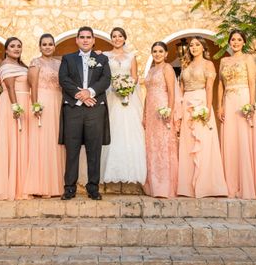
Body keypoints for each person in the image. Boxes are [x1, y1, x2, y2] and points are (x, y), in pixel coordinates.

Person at [58, 26, 111, 200]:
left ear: (94, 40)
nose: (85, 40)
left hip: (95, 109)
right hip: (73, 109)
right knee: (72, 150)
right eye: (82, 37)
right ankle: (70, 188)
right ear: (77, 40)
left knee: (94, 150)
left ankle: (93, 188)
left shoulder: (102, 59)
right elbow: (63, 79)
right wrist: (81, 96)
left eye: (89, 37)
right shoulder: (68, 58)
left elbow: (106, 79)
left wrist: (90, 92)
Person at [177, 36, 228, 198]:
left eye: (197, 45)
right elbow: (181, 88)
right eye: (191, 45)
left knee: (203, 142)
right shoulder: (185, 64)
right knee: (188, 144)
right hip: (186, 103)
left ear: (203, 48)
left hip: (200, 102)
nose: (193, 47)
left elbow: (209, 88)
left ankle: (206, 185)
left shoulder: (208, 64)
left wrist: (206, 108)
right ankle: (187, 187)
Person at [218, 30, 256, 199]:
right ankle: (230, 185)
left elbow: (252, 82)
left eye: (239, 39)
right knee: (230, 140)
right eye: (233, 39)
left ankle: (246, 185)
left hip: (244, 98)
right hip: (228, 101)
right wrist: (220, 106)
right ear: (229, 42)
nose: (236, 42)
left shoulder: (248, 59)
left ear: (243, 42)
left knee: (244, 139)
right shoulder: (224, 60)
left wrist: (251, 104)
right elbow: (220, 84)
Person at [101, 27, 147, 185]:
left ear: (124, 38)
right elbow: (104, 75)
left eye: (120, 36)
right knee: (113, 129)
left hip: (128, 97)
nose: (117, 39)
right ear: (111, 39)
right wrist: (116, 87)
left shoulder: (131, 56)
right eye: (114, 36)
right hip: (112, 95)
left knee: (130, 131)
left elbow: (135, 77)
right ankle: (111, 171)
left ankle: (132, 171)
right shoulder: (105, 56)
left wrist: (127, 88)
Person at [24, 34, 64, 197]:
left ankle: (57, 184)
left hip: (58, 101)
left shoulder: (60, 63)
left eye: (50, 44)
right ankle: (41, 184)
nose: (47, 47)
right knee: (42, 139)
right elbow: (33, 86)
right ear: (40, 47)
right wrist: (35, 105)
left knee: (56, 140)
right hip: (43, 101)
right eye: (44, 44)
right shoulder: (35, 62)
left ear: (54, 46)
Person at [0, 37, 30, 200]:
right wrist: (15, 106)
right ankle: (12, 186)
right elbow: (10, 87)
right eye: (13, 46)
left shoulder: (21, 65)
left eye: (19, 46)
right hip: (13, 104)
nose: (16, 49)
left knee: (23, 143)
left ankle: (23, 183)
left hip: (25, 102)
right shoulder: (6, 66)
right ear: (6, 50)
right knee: (13, 141)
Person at [143, 41, 179, 198]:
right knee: (151, 145)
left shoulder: (167, 68)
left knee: (163, 145)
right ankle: (153, 184)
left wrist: (169, 111)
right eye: (154, 51)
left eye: (160, 51)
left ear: (166, 54)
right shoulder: (151, 71)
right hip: (151, 111)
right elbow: (148, 93)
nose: (157, 54)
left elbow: (172, 91)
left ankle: (165, 186)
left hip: (163, 108)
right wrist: (144, 114)